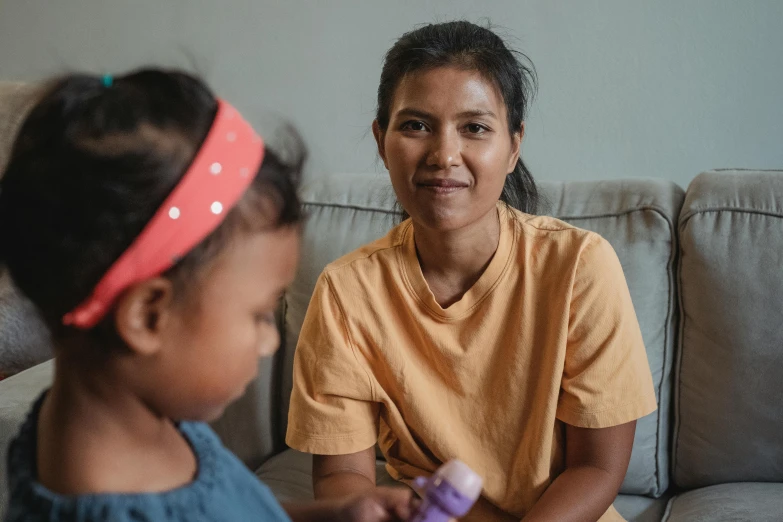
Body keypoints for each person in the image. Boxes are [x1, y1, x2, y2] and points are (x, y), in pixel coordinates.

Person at [0, 68, 412, 522]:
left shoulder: (141, 418)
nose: (270, 341)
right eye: (258, 314)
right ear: (148, 316)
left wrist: (335, 514)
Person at [286, 21, 657, 521]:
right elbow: (339, 477)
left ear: (514, 145)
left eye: (475, 128)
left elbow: (596, 469)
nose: (444, 155)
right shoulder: (345, 292)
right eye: (415, 125)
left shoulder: (580, 266)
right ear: (381, 139)